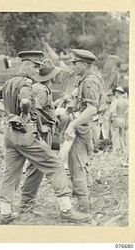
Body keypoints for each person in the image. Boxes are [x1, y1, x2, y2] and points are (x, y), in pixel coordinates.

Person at [0, 50, 90, 224]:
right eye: (35, 66)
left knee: (10, 174)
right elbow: (26, 102)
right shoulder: (27, 84)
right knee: (55, 165)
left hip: (11, 135)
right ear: (26, 64)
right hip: (26, 134)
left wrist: (10, 114)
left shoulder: (9, 83)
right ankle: (66, 209)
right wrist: (24, 114)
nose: (37, 71)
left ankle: (5, 213)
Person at [64, 49, 105, 213]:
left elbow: (91, 109)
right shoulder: (84, 80)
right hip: (83, 126)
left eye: (75, 63)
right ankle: (83, 202)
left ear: (84, 64)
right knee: (76, 166)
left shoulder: (90, 82)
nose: (73, 66)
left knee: (78, 167)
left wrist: (72, 124)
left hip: (84, 128)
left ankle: (83, 208)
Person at [20, 62, 62, 211]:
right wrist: (40, 127)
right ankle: (26, 204)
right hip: (42, 133)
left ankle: (28, 203)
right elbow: (34, 109)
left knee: (38, 168)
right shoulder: (42, 90)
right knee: (37, 169)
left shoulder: (43, 89)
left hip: (45, 131)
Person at [109, 86, 128, 154]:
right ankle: (123, 149)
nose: (115, 94)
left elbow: (111, 111)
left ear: (117, 93)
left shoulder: (115, 101)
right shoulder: (126, 102)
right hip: (122, 119)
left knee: (115, 135)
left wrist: (110, 119)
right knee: (121, 136)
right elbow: (127, 112)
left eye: (115, 93)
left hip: (116, 119)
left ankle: (116, 150)